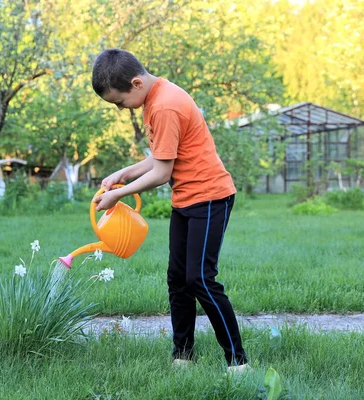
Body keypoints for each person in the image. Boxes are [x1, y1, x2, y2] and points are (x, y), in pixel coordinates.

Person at [91, 49, 249, 372]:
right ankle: (183, 357)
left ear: (136, 83)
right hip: (186, 199)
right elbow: (162, 156)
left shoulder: (164, 105)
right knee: (178, 280)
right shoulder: (155, 97)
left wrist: (119, 194)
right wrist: (125, 172)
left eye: (119, 102)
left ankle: (238, 362)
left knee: (200, 280)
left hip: (209, 198)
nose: (121, 109)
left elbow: (163, 173)